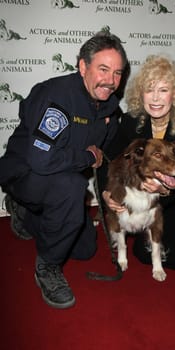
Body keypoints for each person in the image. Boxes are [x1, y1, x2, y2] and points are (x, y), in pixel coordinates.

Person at [0, 31, 128, 309]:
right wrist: (85, 156)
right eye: (103, 69)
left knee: (85, 249)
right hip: (24, 174)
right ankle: (47, 267)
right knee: (71, 186)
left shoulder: (109, 107)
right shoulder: (56, 96)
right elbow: (41, 160)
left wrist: (109, 190)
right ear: (83, 66)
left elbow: (105, 157)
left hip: (57, 178)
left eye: (118, 73)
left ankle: (23, 212)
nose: (111, 81)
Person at [101, 54, 175, 271]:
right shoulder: (130, 122)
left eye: (163, 90)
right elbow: (109, 160)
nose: (155, 98)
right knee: (144, 256)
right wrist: (107, 193)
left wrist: (162, 189)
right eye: (149, 90)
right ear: (140, 94)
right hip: (143, 197)